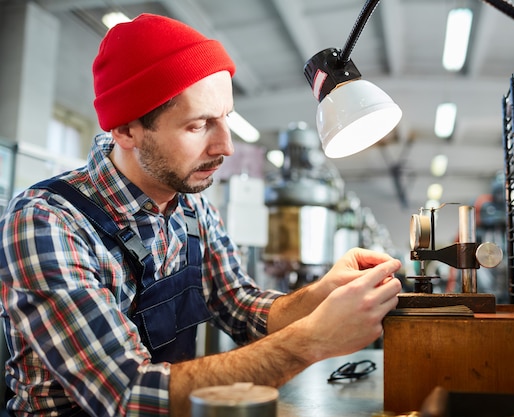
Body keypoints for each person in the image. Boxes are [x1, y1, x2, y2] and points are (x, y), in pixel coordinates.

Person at [0, 13, 402, 417]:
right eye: (199, 125)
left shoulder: (191, 207)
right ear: (125, 130)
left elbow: (241, 306)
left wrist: (323, 293)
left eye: (225, 117)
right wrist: (312, 340)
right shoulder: (46, 222)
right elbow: (129, 395)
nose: (225, 146)